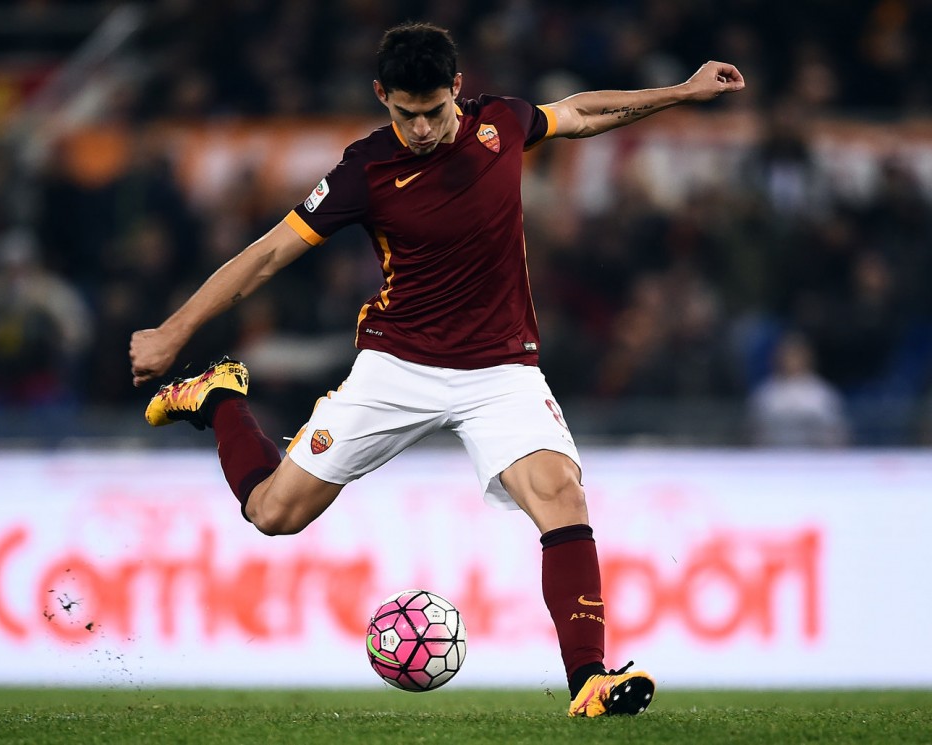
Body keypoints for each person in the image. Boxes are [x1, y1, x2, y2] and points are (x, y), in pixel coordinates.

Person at [130, 22, 745, 717]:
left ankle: (590, 681)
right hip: (398, 366)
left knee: (561, 495)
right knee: (273, 512)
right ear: (381, 97)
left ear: (458, 88)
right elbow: (268, 255)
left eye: (433, 111)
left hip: (501, 371)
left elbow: (580, 112)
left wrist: (682, 91)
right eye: (404, 114)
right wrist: (173, 329)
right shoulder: (364, 172)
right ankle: (217, 396)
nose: (421, 128)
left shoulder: (501, 124)